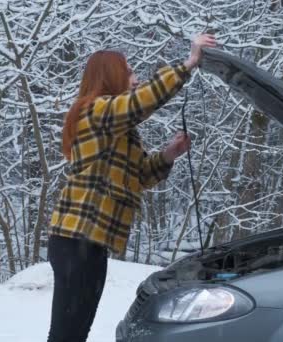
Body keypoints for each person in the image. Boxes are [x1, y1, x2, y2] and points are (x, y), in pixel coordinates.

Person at [46, 33, 217, 342]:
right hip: (75, 243)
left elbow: (139, 176)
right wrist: (188, 63)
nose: (135, 78)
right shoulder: (94, 112)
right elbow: (140, 103)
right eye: (129, 71)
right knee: (65, 336)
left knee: (73, 335)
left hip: (89, 245)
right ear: (110, 75)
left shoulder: (118, 128)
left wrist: (168, 154)